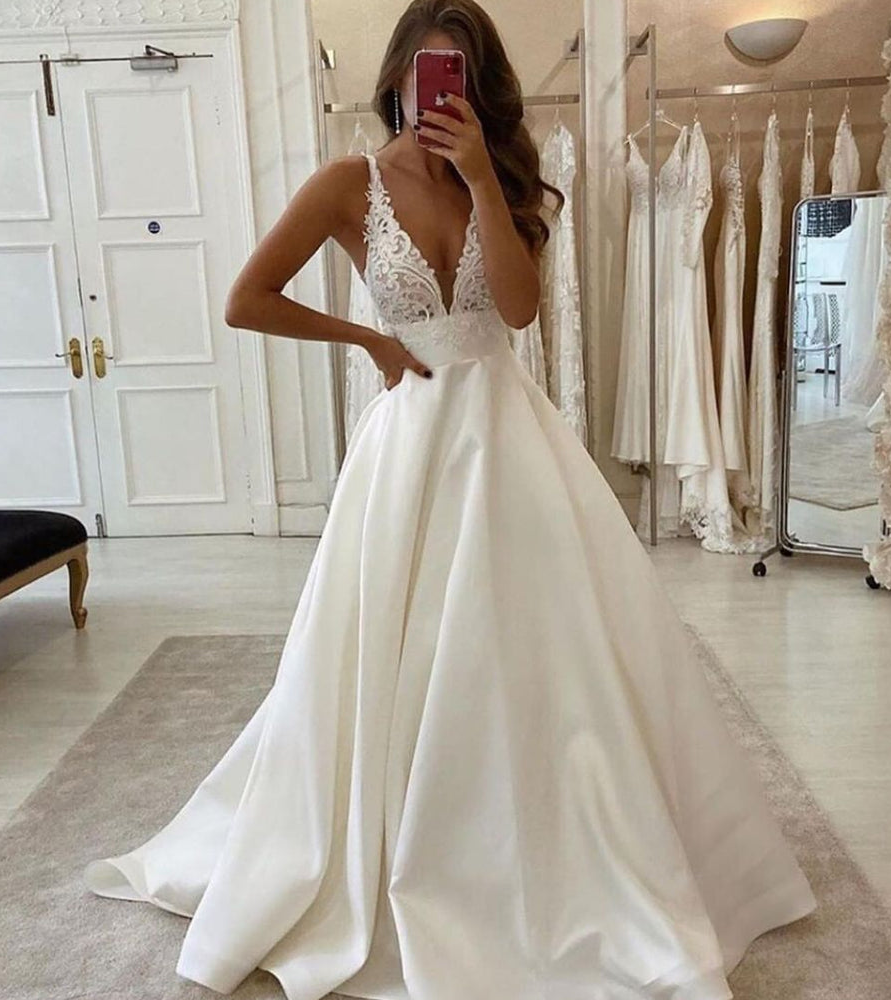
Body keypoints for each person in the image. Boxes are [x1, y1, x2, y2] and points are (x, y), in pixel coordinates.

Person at [83, 2, 818, 997]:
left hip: (506, 438)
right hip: (410, 442)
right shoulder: (346, 184)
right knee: (391, 649)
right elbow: (246, 299)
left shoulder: (500, 177)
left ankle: (557, 843)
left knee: (544, 650)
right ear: (395, 78)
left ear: (478, 89)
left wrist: (478, 176)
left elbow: (516, 310)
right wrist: (368, 340)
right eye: (426, 72)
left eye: (458, 76)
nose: (439, 92)